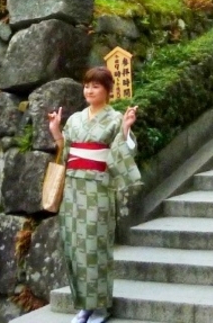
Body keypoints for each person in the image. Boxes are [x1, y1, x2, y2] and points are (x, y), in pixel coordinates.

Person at [48, 67, 142, 323]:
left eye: (96, 86)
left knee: (96, 245)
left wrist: (125, 129)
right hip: (73, 188)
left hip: (98, 187)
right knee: (74, 245)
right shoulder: (75, 119)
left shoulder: (114, 118)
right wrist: (56, 131)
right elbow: (66, 152)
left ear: (107, 90)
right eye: (87, 85)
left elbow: (122, 152)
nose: (89, 90)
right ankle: (84, 305)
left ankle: (100, 307)